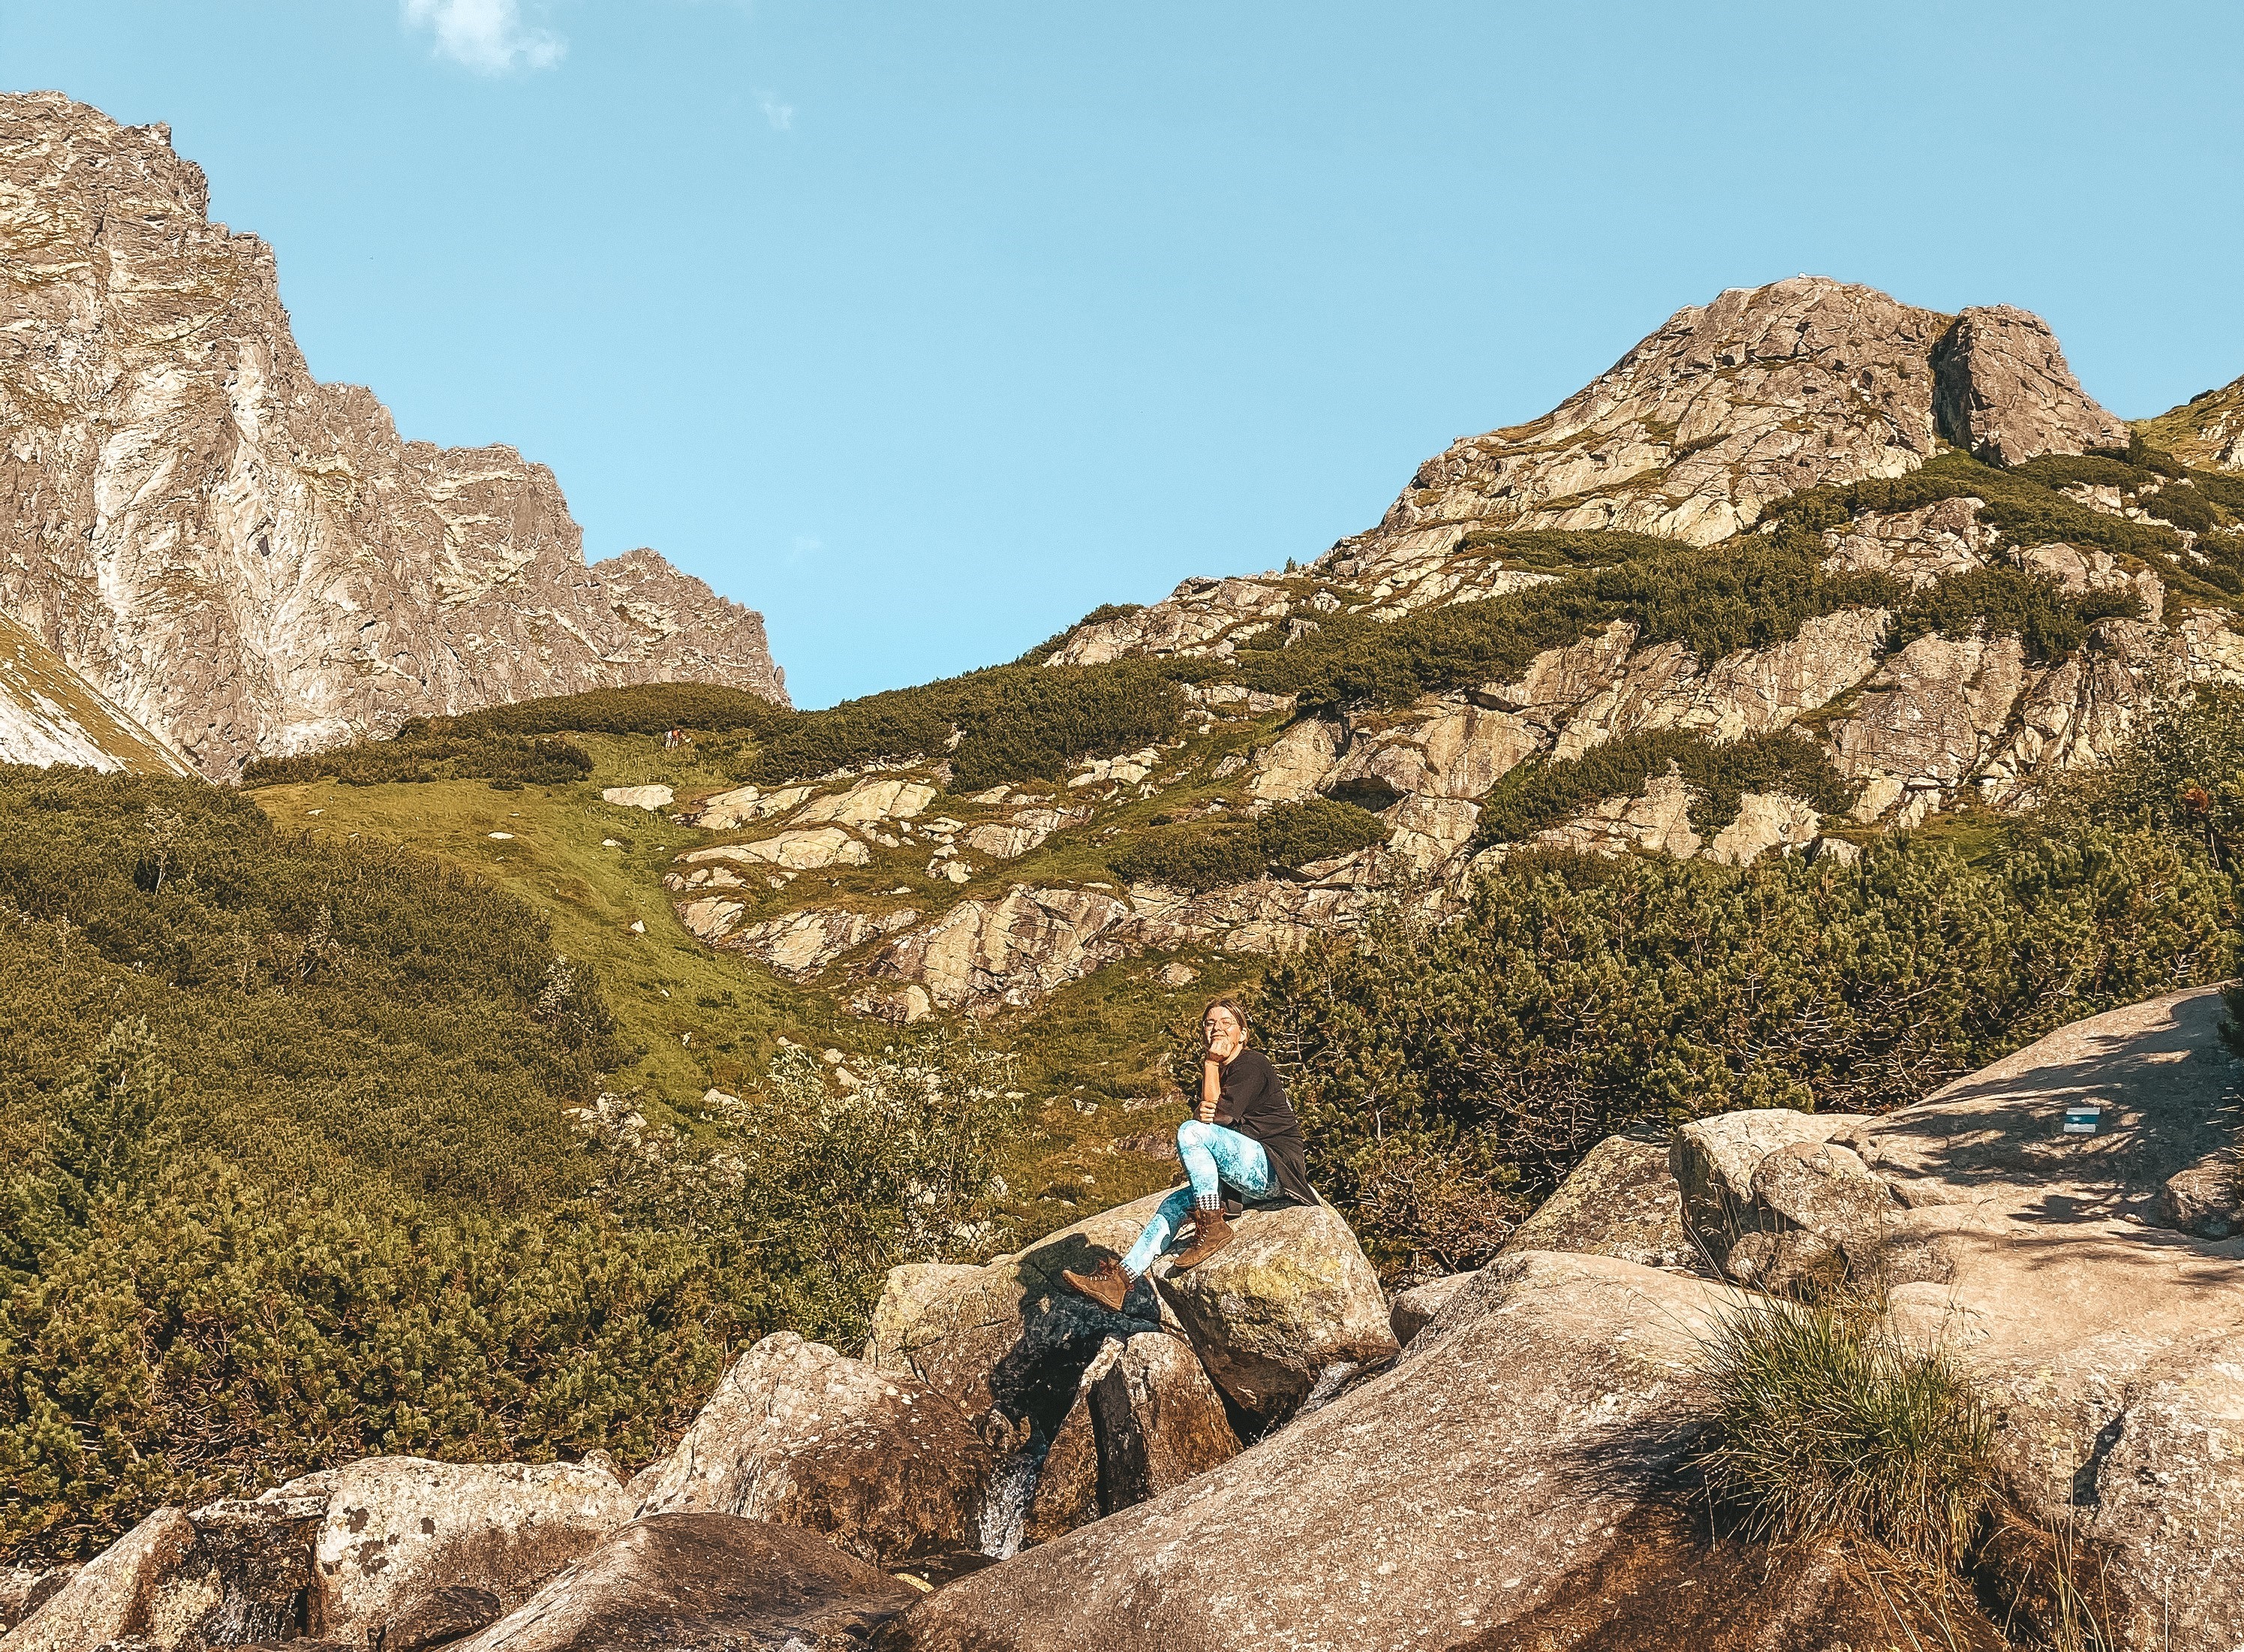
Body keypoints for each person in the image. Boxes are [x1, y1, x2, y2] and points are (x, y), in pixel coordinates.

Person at [1061, 997, 1315, 1311]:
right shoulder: (1220, 1074)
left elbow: (1214, 1118)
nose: (1217, 1028)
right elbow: (1210, 1114)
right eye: (1210, 1023)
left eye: (1226, 1022)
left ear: (1243, 1034)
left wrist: (1210, 1066)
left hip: (1275, 1167)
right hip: (1244, 1177)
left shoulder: (1252, 1064)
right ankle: (1121, 1280)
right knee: (1174, 1204)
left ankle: (1212, 1226)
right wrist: (1211, 1067)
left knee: (1189, 1131)